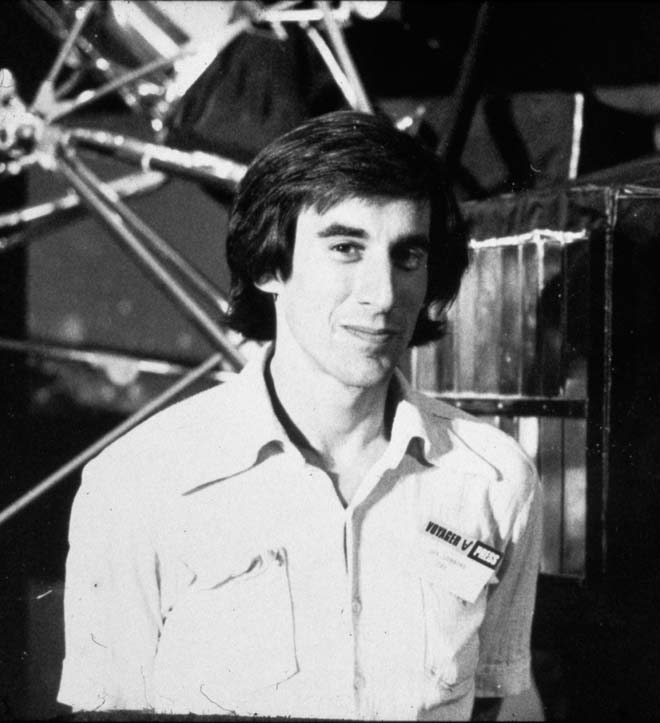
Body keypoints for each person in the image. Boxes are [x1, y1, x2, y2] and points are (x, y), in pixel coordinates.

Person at [57, 111, 542, 720]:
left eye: (408, 256)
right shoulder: (138, 483)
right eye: (345, 248)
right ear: (269, 265)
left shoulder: (494, 480)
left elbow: (495, 699)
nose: (383, 295)